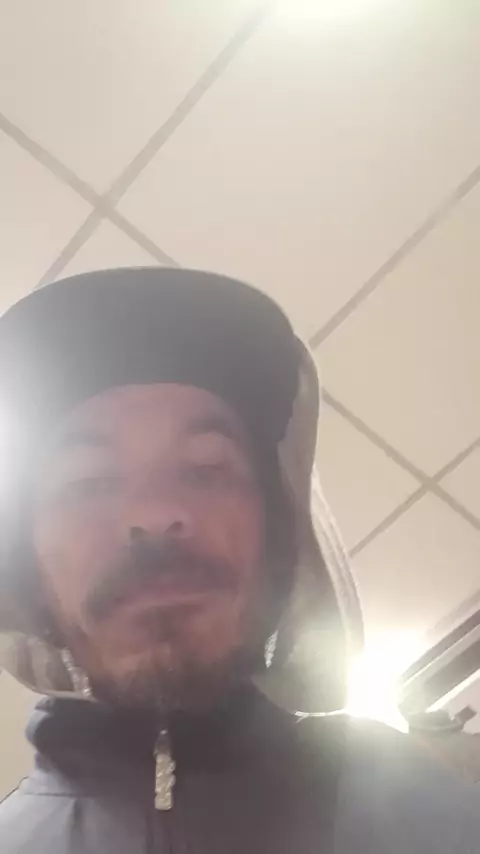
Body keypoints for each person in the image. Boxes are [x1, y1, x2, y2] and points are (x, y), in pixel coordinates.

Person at [0, 268, 477, 853]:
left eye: (206, 469)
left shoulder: (438, 802)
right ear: (28, 574)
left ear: (279, 533)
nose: (155, 512)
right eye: (89, 481)